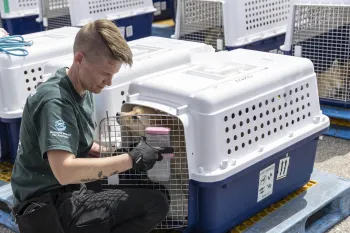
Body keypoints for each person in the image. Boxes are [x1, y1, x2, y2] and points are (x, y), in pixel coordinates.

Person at [10, 19, 173, 233]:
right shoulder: (55, 101)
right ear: (80, 59)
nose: (110, 83)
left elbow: (77, 144)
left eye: (113, 75)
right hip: (46, 206)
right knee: (155, 204)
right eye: (105, 74)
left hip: (68, 191)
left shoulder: (82, 87)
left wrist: (120, 152)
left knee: (149, 187)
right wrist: (131, 159)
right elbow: (65, 171)